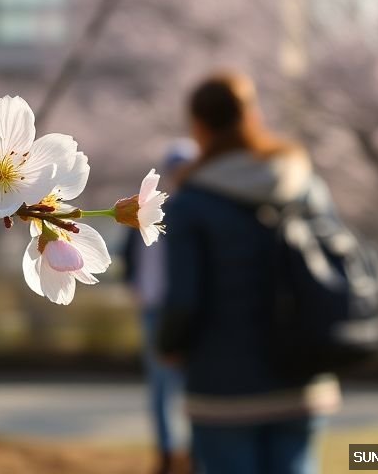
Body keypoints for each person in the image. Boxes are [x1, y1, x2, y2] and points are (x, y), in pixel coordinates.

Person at [158, 72, 341, 474]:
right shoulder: (304, 184)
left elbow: (184, 299)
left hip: (224, 385)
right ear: (251, 116)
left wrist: (168, 345)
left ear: (199, 126)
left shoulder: (191, 204)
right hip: (302, 373)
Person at [122, 139, 195, 474]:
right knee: (160, 386)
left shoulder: (194, 211)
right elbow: (128, 250)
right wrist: (133, 284)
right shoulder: (148, 208)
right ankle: (166, 453)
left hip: (184, 310)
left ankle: (193, 452)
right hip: (152, 307)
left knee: (189, 384)